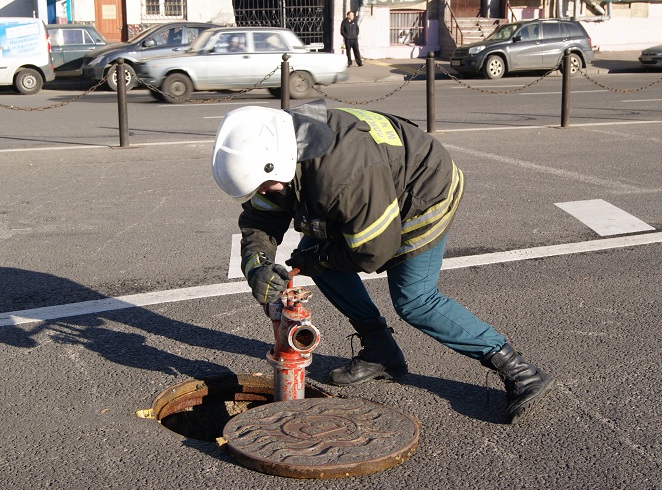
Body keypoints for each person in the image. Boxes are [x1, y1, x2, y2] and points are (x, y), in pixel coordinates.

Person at [211, 100, 555, 424]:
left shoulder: (341, 175)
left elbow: (375, 249)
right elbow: (260, 219)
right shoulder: (279, 144)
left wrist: (320, 257)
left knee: (415, 300)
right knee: (314, 259)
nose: (262, 191)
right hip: (373, 188)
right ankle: (381, 351)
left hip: (422, 193)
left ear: (280, 162)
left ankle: (520, 371)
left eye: (263, 184)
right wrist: (257, 265)